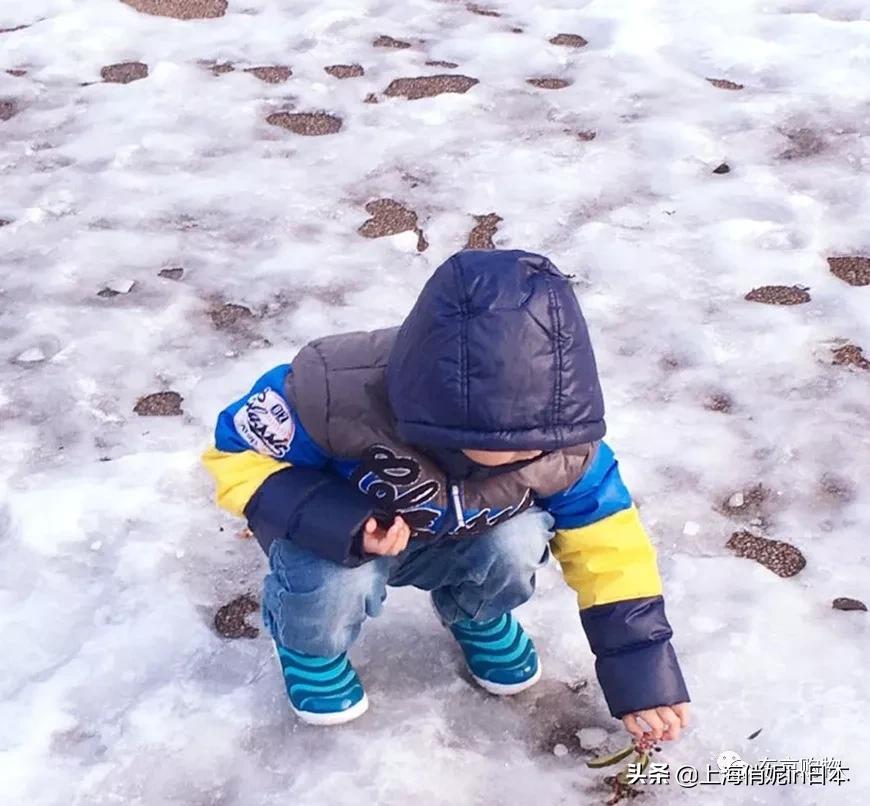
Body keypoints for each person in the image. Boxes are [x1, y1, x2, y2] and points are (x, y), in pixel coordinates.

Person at [202, 249, 690, 740]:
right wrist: (337, 522)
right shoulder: (328, 395)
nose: (535, 455)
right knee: (331, 581)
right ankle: (309, 645)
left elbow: (609, 546)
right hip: (344, 544)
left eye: (543, 439)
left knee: (519, 539)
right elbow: (236, 456)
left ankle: (476, 613)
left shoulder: (564, 444)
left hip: (462, 536)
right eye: (505, 444)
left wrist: (643, 674)